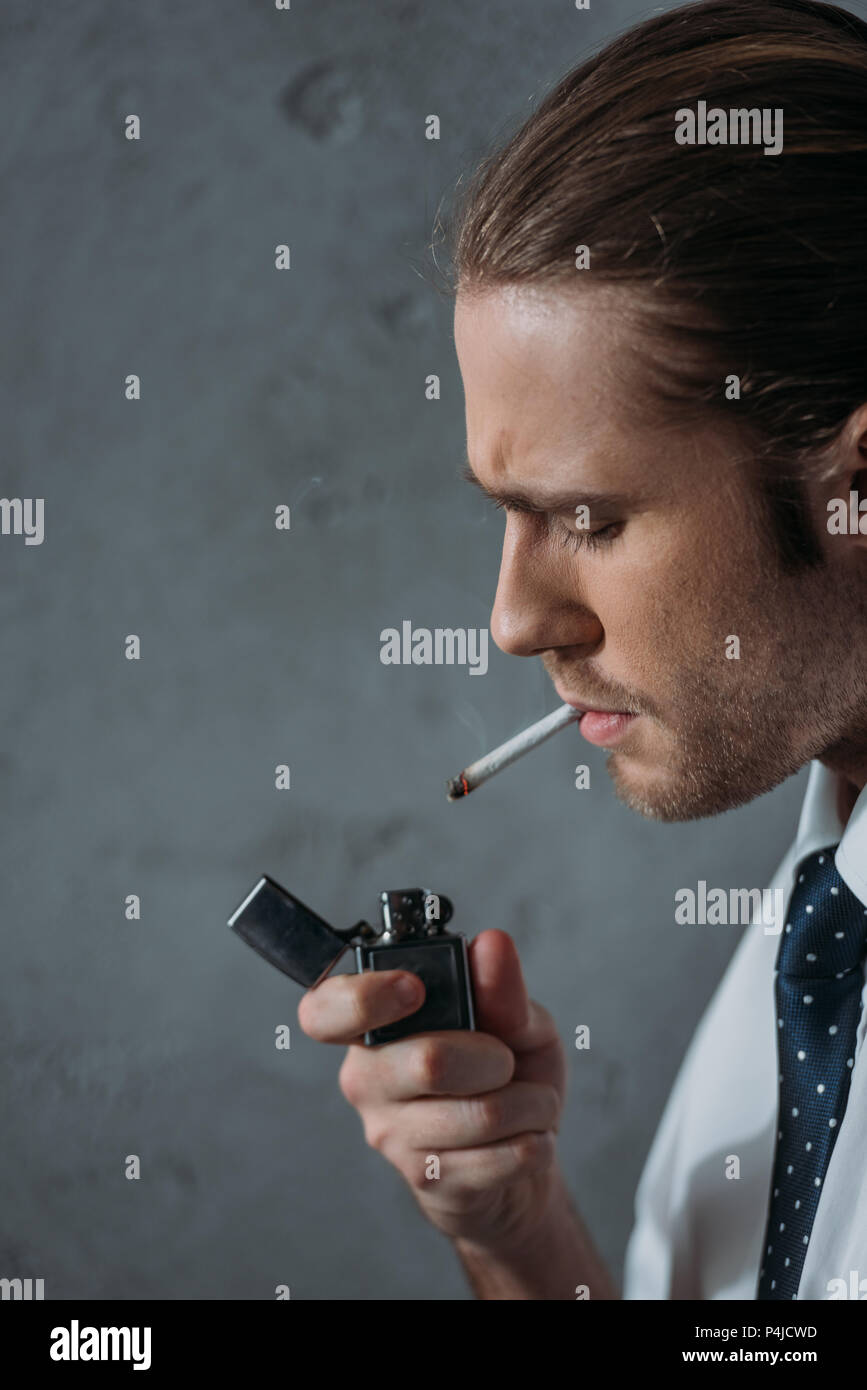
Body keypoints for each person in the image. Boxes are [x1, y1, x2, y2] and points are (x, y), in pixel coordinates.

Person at [298, 0, 867, 1299]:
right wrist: (517, 1234)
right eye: (512, 513)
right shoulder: (826, 914)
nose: (512, 621)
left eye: (591, 517)